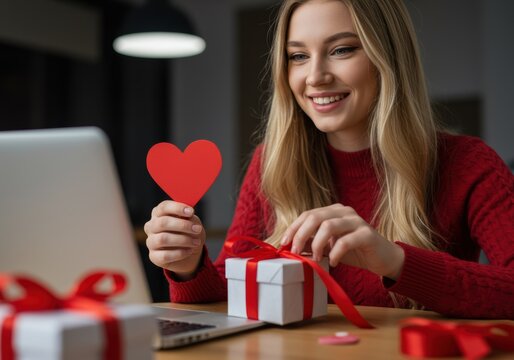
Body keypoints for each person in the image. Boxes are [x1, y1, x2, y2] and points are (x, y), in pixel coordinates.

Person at [144, 0, 514, 318]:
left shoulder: (468, 163)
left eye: (342, 49)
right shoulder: (271, 163)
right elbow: (226, 296)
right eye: (298, 56)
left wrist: (394, 261)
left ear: (388, 57)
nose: (315, 76)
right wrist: (187, 267)